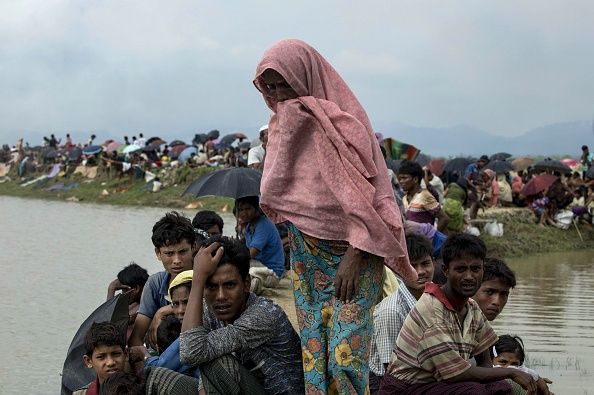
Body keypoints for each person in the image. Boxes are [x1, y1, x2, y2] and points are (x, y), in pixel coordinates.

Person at [253, 39, 414, 394]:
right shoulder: (281, 126)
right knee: (315, 355)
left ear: (306, 78)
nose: (281, 95)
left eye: (286, 84)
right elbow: (280, 192)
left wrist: (356, 254)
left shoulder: (342, 124)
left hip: (356, 251)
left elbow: (369, 197)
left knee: (345, 355)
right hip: (306, 254)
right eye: (272, 87)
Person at [381, 233, 537, 394]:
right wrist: (511, 371)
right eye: (461, 269)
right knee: (475, 391)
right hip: (407, 388)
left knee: (501, 387)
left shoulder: (472, 307)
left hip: (438, 384)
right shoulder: (432, 310)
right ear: (446, 271)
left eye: (476, 269)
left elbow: (484, 360)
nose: (469, 276)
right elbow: (455, 374)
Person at [180, 236, 304, 394]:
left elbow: (192, 352)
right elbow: (189, 351)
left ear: (246, 284)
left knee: (220, 363)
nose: (220, 296)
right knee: (156, 377)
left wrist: (198, 281)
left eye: (229, 285)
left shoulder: (263, 315)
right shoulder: (210, 309)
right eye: (210, 286)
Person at [368, 233, 435, 394]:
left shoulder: (437, 298)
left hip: (425, 374)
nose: (420, 272)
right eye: (412, 266)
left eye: (425, 264)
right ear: (400, 269)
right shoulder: (391, 311)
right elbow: (391, 370)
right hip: (388, 384)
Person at [128, 212, 197, 349]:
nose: (177, 261)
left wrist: (164, 311)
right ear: (158, 253)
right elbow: (136, 339)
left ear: (193, 247)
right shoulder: (155, 283)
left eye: (183, 252)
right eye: (169, 253)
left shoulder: (207, 278)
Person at [236, 195, 285, 289]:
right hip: (259, 265)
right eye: (241, 209)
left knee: (237, 265)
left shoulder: (263, 225)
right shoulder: (248, 226)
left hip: (272, 273)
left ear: (256, 209)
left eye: (248, 209)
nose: (244, 213)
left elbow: (251, 254)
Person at [74, 322, 128, 395]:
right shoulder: (81, 394)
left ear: (125, 355)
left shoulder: (143, 389)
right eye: (101, 357)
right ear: (88, 361)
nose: (110, 363)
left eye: (116, 354)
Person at [397, 160, 449, 232]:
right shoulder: (404, 198)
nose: (401, 181)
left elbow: (444, 218)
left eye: (404, 178)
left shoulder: (424, 196)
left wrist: (433, 237)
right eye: (400, 178)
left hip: (424, 241)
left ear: (415, 179)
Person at [106, 263, 149, 340]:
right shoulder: (131, 305)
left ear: (136, 289)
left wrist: (111, 290)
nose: (123, 294)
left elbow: (108, 325)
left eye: (125, 289)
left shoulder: (146, 307)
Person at [472, 257, 516, 321]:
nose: (497, 302)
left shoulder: (481, 327)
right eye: (489, 292)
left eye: (503, 294)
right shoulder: (454, 322)